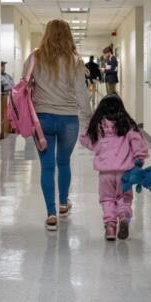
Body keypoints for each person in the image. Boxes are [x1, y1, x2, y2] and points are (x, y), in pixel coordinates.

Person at [24, 20, 92, 229]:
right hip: (68, 120)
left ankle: (51, 214)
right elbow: (82, 94)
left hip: (41, 120)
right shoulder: (75, 61)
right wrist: (88, 119)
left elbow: (24, 84)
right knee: (63, 163)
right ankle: (63, 203)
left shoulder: (35, 57)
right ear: (68, 35)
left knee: (47, 166)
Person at [79, 95, 150, 241]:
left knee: (107, 199)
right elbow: (137, 141)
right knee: (124, 198)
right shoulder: (127, 125)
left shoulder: (99, 126)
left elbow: (84, 138)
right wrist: (139, 158)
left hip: (105, 173)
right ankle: (124, 217)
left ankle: (110, 227)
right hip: (125, 171)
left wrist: (98, 147)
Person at [0, 61, 14, 139]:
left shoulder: (8, 75)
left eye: (4, 66)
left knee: (10, 113)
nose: (3, 67)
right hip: (3, 98)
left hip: (9, 96)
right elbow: (5, 85)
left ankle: (10, 128)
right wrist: (8, 86)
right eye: (2, 65)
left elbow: (12, 85)